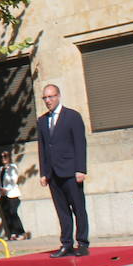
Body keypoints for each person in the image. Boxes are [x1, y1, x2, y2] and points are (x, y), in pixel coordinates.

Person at [37, 83, 90, 257]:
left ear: (58, 96)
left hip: (70, 171)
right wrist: (44, 173)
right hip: (53, 173)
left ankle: (82, 242)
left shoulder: (72, 116)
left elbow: (80, 144)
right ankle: (66, 243)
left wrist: (81, 169)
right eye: (45, 97)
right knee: (62, 210)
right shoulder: (42, 120)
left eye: (51, 97)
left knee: (78, 208)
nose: (48, 100)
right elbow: (43, 147)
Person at [0, 150, 26, 240]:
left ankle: (21, 232)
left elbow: (13, 180)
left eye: (5, 156)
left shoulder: (13, 167)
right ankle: (12, 233)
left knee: (13, 212)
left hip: (12, 194)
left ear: (9, 158)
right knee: (6, 214)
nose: (3, 159)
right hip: (2, 195)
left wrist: (6, 189)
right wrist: (0, 189)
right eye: (2, 157)